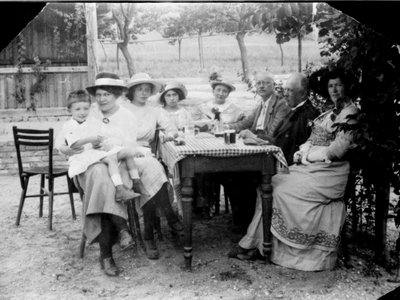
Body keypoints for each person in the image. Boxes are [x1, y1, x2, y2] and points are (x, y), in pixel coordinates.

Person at [231, 69, 359, 271]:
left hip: (331, 173)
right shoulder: (329, 112)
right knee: (271, 183)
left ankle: (263, 246)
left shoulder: (351, 114)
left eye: (338, 85)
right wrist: (304, 150)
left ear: (347, 87)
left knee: (277, 189)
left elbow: (337, 151)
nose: (334, 89)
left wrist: (308, 155)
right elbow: (312, 138)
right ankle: (258, 243)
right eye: (330, 85)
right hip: (315, 168)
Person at [57, 72, 182, 277]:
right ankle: (109, 248)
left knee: (150, 167)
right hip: (91, 165)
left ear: (117, 95)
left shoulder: (127, 116)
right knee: (100, 176)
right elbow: (67, 140)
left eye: (107, 94)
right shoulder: (89, 111)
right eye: (98, 95)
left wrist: (112, 146)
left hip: (118, 159)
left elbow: (129, 146)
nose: (101, 99)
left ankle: (147, 233)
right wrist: (70, 149)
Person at [121, 72, 183, 258]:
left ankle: (149, 237)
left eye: (147, 89)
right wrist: (130, 148)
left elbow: (172, 129)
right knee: (154, 168)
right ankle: (170, 217)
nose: (143, 92)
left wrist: (169, 135)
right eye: (139, 89)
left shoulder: (155, 111)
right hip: (124, 156)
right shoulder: (122, 110)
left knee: (150, 173)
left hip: (146, 154)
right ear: (131, 91)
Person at [59, 90, 142, 202]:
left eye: (86, 109)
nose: (82, 112)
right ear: (69, 110)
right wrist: (90, 139)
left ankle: (135, 182)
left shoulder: (91, 121)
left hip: (94, 152)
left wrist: (99, 141)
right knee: (112, 159)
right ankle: (120, 189)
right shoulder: (69, 125)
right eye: (77, 109)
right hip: (82, 156)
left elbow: (101, 134)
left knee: (127, 153)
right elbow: (74, 144)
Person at [274, 73, 319, 165]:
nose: (285, 94)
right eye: (285, 90)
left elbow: (296, 150)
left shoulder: (308, 115)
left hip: (288, 169)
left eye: (290, 90)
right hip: (278, 162)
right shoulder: (293, 110)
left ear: (303, 94)